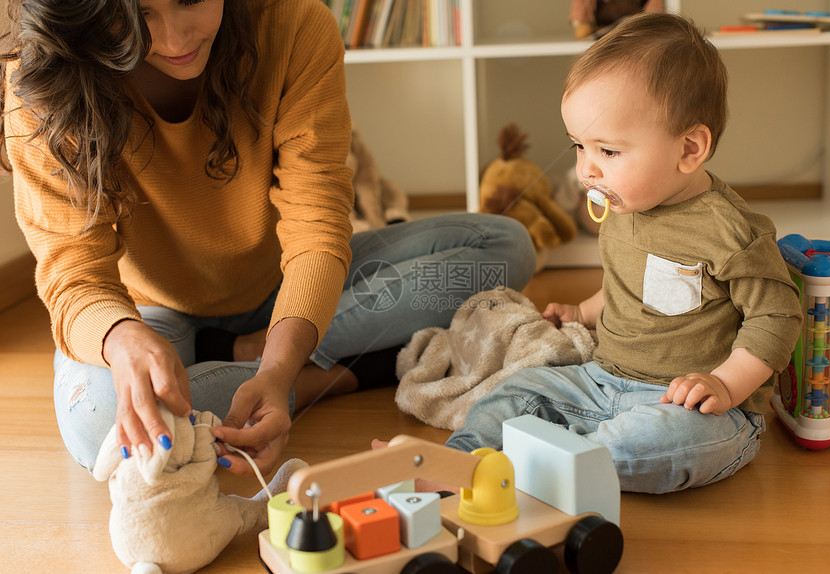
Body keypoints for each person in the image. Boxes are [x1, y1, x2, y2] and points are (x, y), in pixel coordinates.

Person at [1, 0, 535, 477]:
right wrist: (121, 340)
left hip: (284, 284)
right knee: (102, 430)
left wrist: (278, 366)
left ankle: (260, 365)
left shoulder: (295, 26)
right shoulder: (45, 81)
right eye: (137, 17)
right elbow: (74, 273)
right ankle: (332, 372)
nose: (175, 39)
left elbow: (318, 229)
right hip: (147, 313)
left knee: (504, 248)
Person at [444, 12, 803, 494]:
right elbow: (629, 286)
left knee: (647, 444)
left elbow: (778, 316)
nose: (586, 171)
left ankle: (554, 462)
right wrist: (582, 311)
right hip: (603, 381)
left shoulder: (731, 231)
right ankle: (456, 466)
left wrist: (725, 385)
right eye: (578, 146)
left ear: (690, 148)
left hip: (698, 410)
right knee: (511, 395)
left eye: (607, 152)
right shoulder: (626, 204)